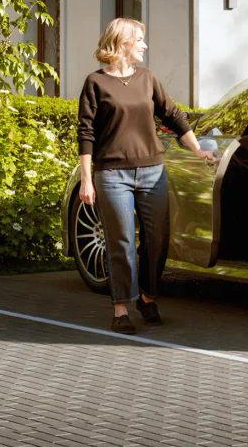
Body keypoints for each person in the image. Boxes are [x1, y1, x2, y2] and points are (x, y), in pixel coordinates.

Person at [77, 17, 214, 334]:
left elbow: (172, 114)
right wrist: (86, 179)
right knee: (121, 242)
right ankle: (121, 308)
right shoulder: (95, 83)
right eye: (139, 39)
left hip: (153, 171)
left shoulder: (147, 78)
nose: (144, 45)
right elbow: (86, 133)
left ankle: (147, 296)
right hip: (112, 174)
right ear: (122, 42)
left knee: (158, 239)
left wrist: (198, 150)